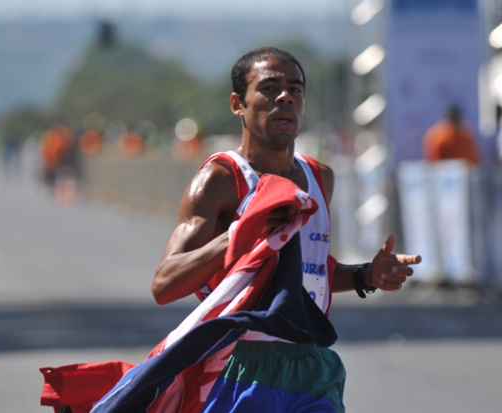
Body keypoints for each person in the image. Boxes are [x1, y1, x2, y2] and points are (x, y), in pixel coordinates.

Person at [151, 47, 422, 412]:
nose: (285, 97)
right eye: (269, 88)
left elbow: (308, 272)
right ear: (238, 104)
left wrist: (366, 275)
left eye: (295, 89)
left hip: (310, 365)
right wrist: (237, 236)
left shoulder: (319, 178)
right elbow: (165, 283)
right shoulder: (221, 180)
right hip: (241, 364)